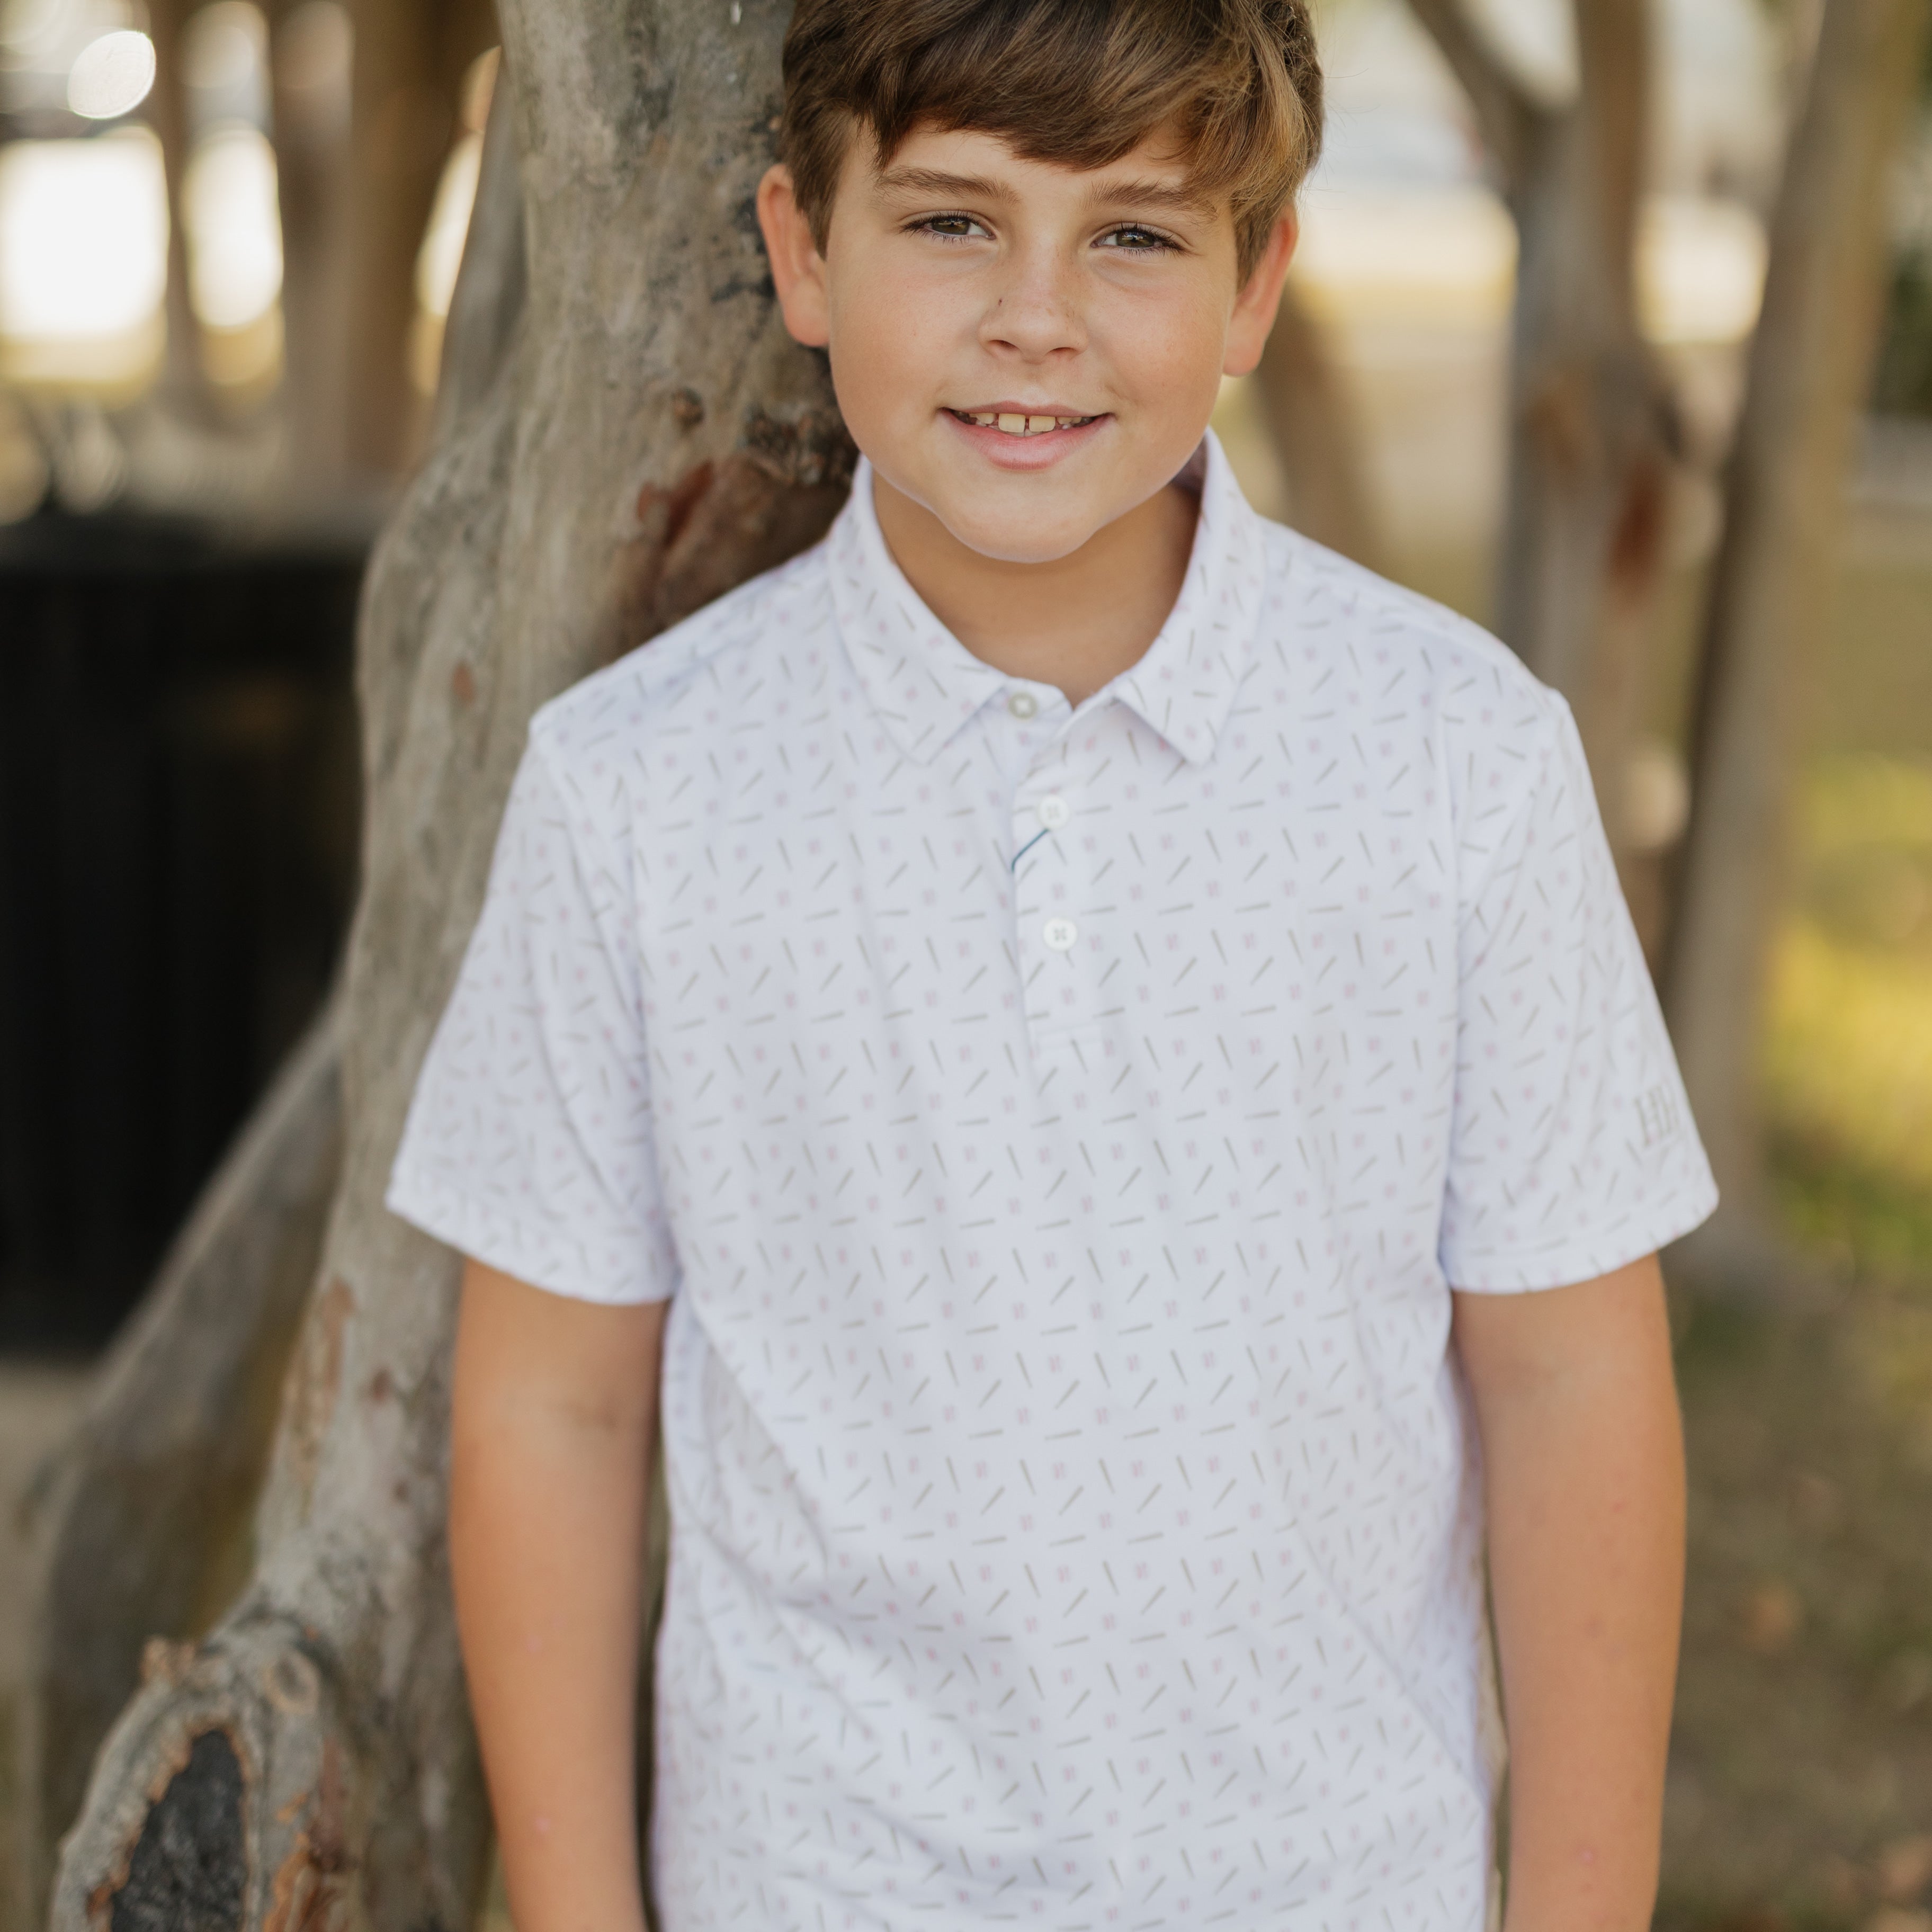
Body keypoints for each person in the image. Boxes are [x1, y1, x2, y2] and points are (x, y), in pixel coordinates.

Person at [386, 3, 1716, 1929]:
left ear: (1258, 281)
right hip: (817, 1881)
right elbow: (551, 1406)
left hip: (1328, 1881)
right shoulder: (636, 792)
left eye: (1136, 235)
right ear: (800, 250)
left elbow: (1577, 1377)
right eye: (949, 223)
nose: (1036, 317)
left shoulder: (1458, 762)